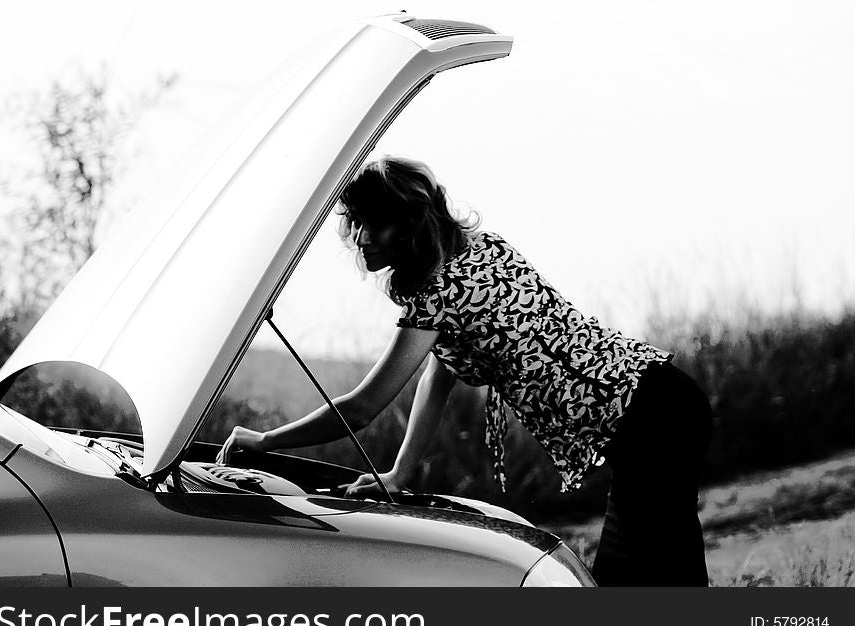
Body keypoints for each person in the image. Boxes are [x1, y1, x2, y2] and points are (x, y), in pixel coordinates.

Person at [216, 156, 713, 586]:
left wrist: (264, 443)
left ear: (409, 223)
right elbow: (441, 372)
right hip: (659, 407)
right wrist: (403, 470)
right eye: (356, 222)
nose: (362, 237)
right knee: (658, 578)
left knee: (646, 584)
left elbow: (362, 408)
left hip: (651, 421)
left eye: (375, 222)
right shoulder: (476, 251)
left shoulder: (440, 292)